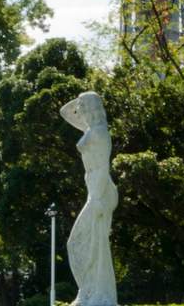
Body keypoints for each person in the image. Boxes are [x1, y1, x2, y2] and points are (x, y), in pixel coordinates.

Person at [59, 92, 118, 306]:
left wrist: (96, 200)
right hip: (93, 187)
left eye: (83, 107)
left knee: (88, 244)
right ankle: (88, 291)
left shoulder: (100, 133)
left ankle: (99, 295)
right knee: (84, 243)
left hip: (100, 190)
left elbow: (103, 167)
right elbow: (65, 112)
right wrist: (81, 99)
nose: (79, 110)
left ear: (92, 108)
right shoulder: (90, 129)